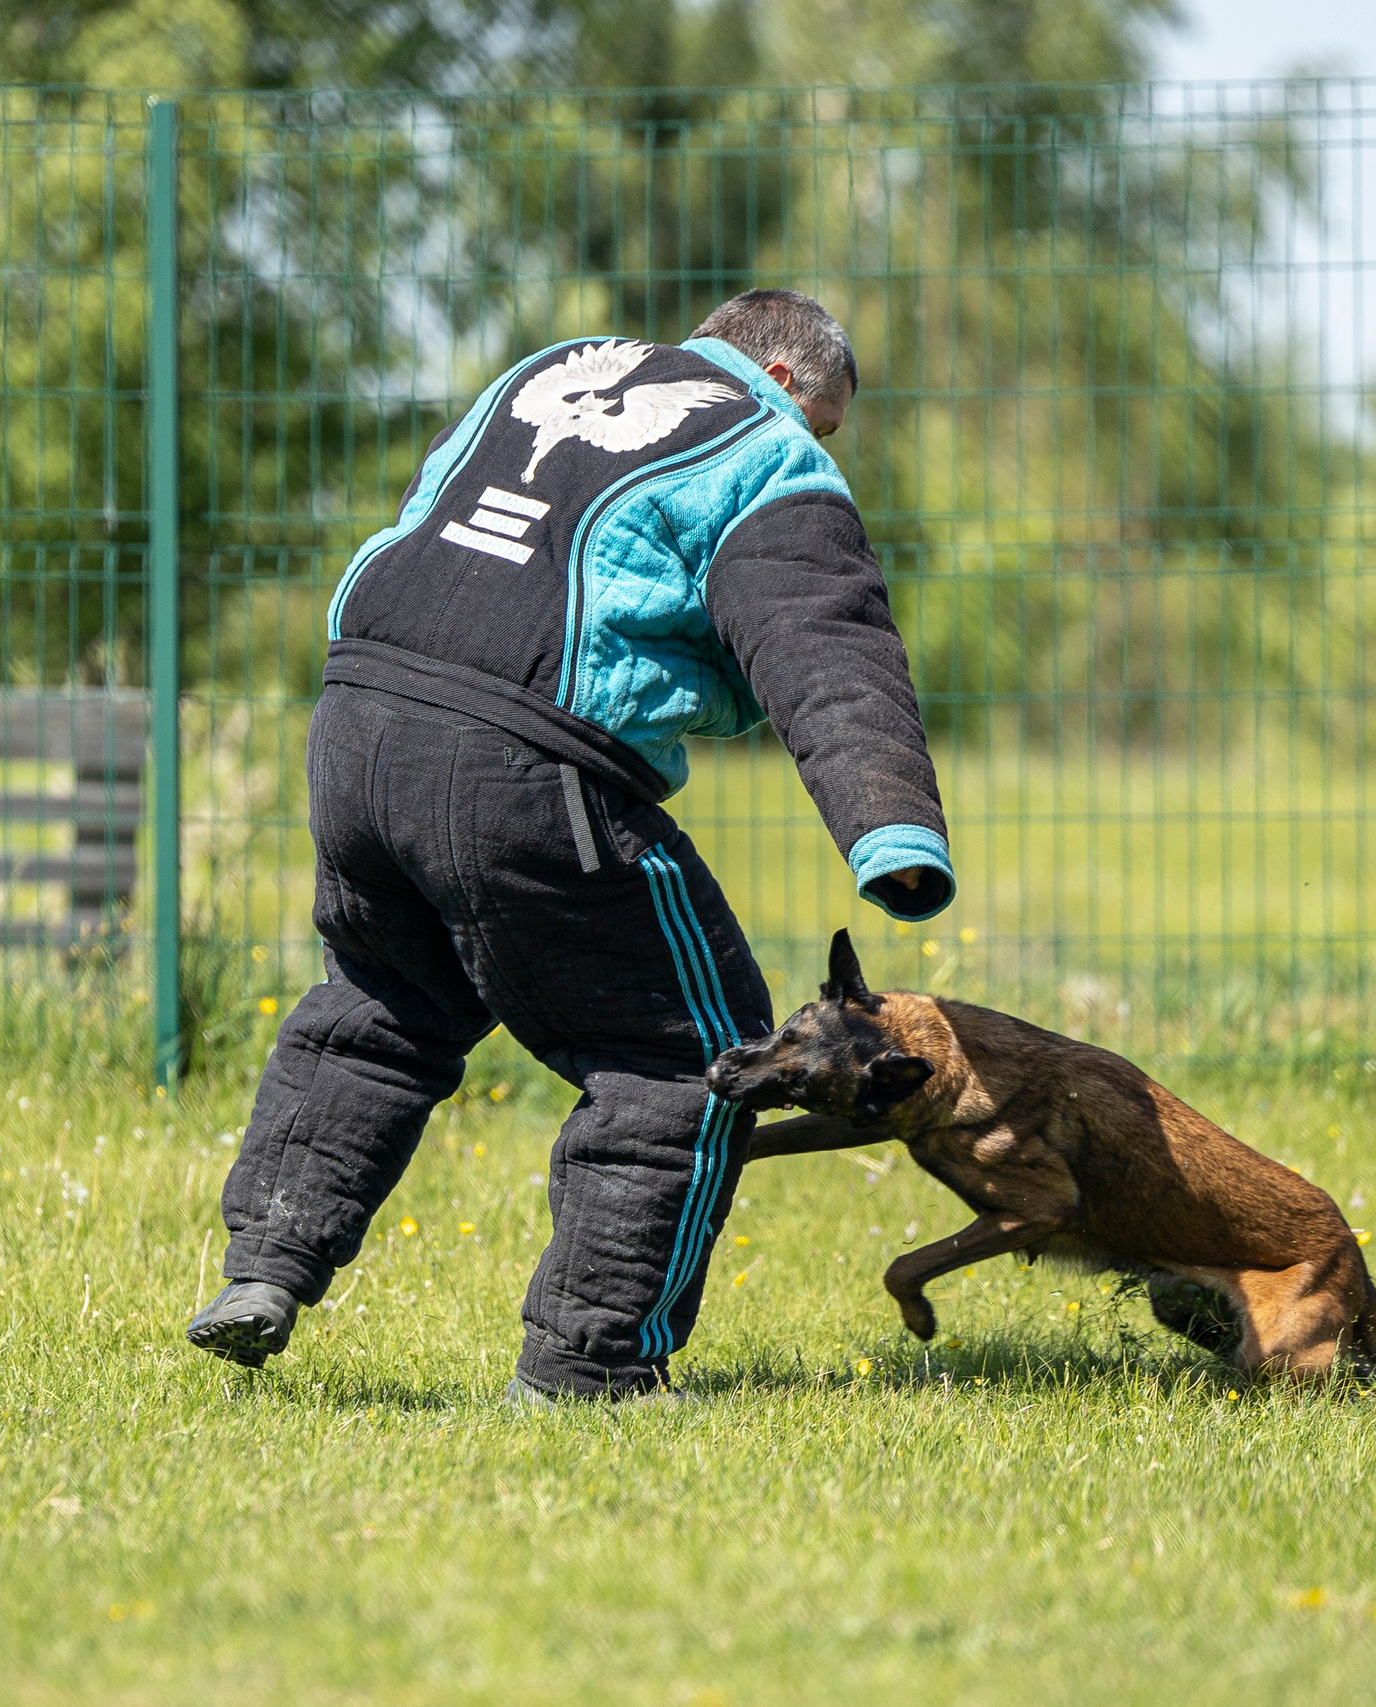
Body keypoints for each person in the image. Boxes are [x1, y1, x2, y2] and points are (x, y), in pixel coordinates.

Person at [187, 288, 953, 1403]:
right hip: (523, 757)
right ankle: (589, 1368)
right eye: (824, 425)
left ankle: (264, 1268)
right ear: (786, 383)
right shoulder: (760, 446)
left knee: (381, 1006)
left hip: (358, 718)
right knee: (695, 1061)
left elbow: (436, 511)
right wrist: (892, 828)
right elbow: (822, 634)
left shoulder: (551, 368)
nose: (818, 447)